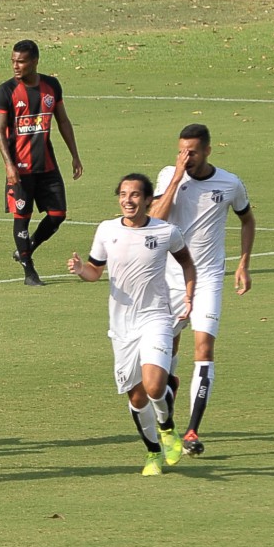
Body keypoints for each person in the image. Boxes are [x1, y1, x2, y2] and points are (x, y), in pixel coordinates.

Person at [68, 174, 196, 475]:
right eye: (123, 194)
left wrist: (189, 296)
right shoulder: (106, 230)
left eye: (135, 195)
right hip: (122, 326)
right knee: (136, 397)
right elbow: (95, 272)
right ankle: (153, 453)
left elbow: (187, 263)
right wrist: (79, 270)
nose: (128, 200)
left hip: (156, 318)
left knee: (154, 386)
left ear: (148, 200)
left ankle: (167, 427)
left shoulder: (166, 232)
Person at [150, 123, 256, 457]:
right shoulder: (169, 174)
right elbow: (155, 217)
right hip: (168, 279)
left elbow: (247, 219)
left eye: (192, 151)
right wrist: (177, 178)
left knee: (205, 350)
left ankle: (192, 431)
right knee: (163, 361)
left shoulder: (229, 183)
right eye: (181, 150)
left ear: (208, 150)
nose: (186, 157)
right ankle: (171, 387)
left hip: (208, 279)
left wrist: (243, 264)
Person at [0, 38, 84, 286]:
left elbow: (63, 121)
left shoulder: (51, 86)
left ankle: (27, 247)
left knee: (58, 214)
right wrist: (9, 165)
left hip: (47, 165)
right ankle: (29, 271)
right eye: (13, 61)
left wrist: (75, 155)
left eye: (21, 61)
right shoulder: (6, 91)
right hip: (20, 170)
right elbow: (0, 131)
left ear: (34, 61)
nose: (15, 66)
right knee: (21, 216)